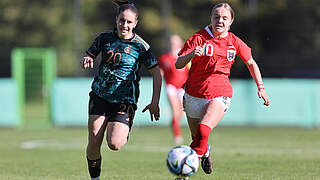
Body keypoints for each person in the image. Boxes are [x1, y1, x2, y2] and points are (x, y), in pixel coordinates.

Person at [175, 2, 271, 179]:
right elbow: (178, 63)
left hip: (220, 93)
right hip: (193, 95)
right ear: (211, 18)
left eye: (224, 18)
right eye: (216, 17)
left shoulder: (234, 41)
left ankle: (184, 175)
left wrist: (261, 87)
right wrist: (191, 54)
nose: (220, 20)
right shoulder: (198, 38)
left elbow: (251, 63)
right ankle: (205, 152)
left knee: (203, 131)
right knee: (197, 138)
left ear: (231, 21)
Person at [79, 1, 162, 179]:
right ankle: (95, 178)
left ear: (135, 23)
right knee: (94, 138)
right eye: (122, 20)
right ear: (116, 19)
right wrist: (86, 59)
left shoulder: (141, 47)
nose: (125, 25)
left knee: (115, 143)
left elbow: (157, 73)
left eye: (129, 22)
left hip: (125, 101)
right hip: (100, 94)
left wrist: (155, 101)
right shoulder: (104, 38)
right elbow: (89, 55)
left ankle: (123, 128)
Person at [158, 34, 189, 144]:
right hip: (170, 87)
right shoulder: (164, 58)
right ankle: (177, 136)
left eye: (175, 41)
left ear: (180, 43)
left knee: (180, 113)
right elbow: (159, 74)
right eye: (171, 41)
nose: (173, 43)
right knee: (175, 110)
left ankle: (175, 125)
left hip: (182, 88)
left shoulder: (185, 56)